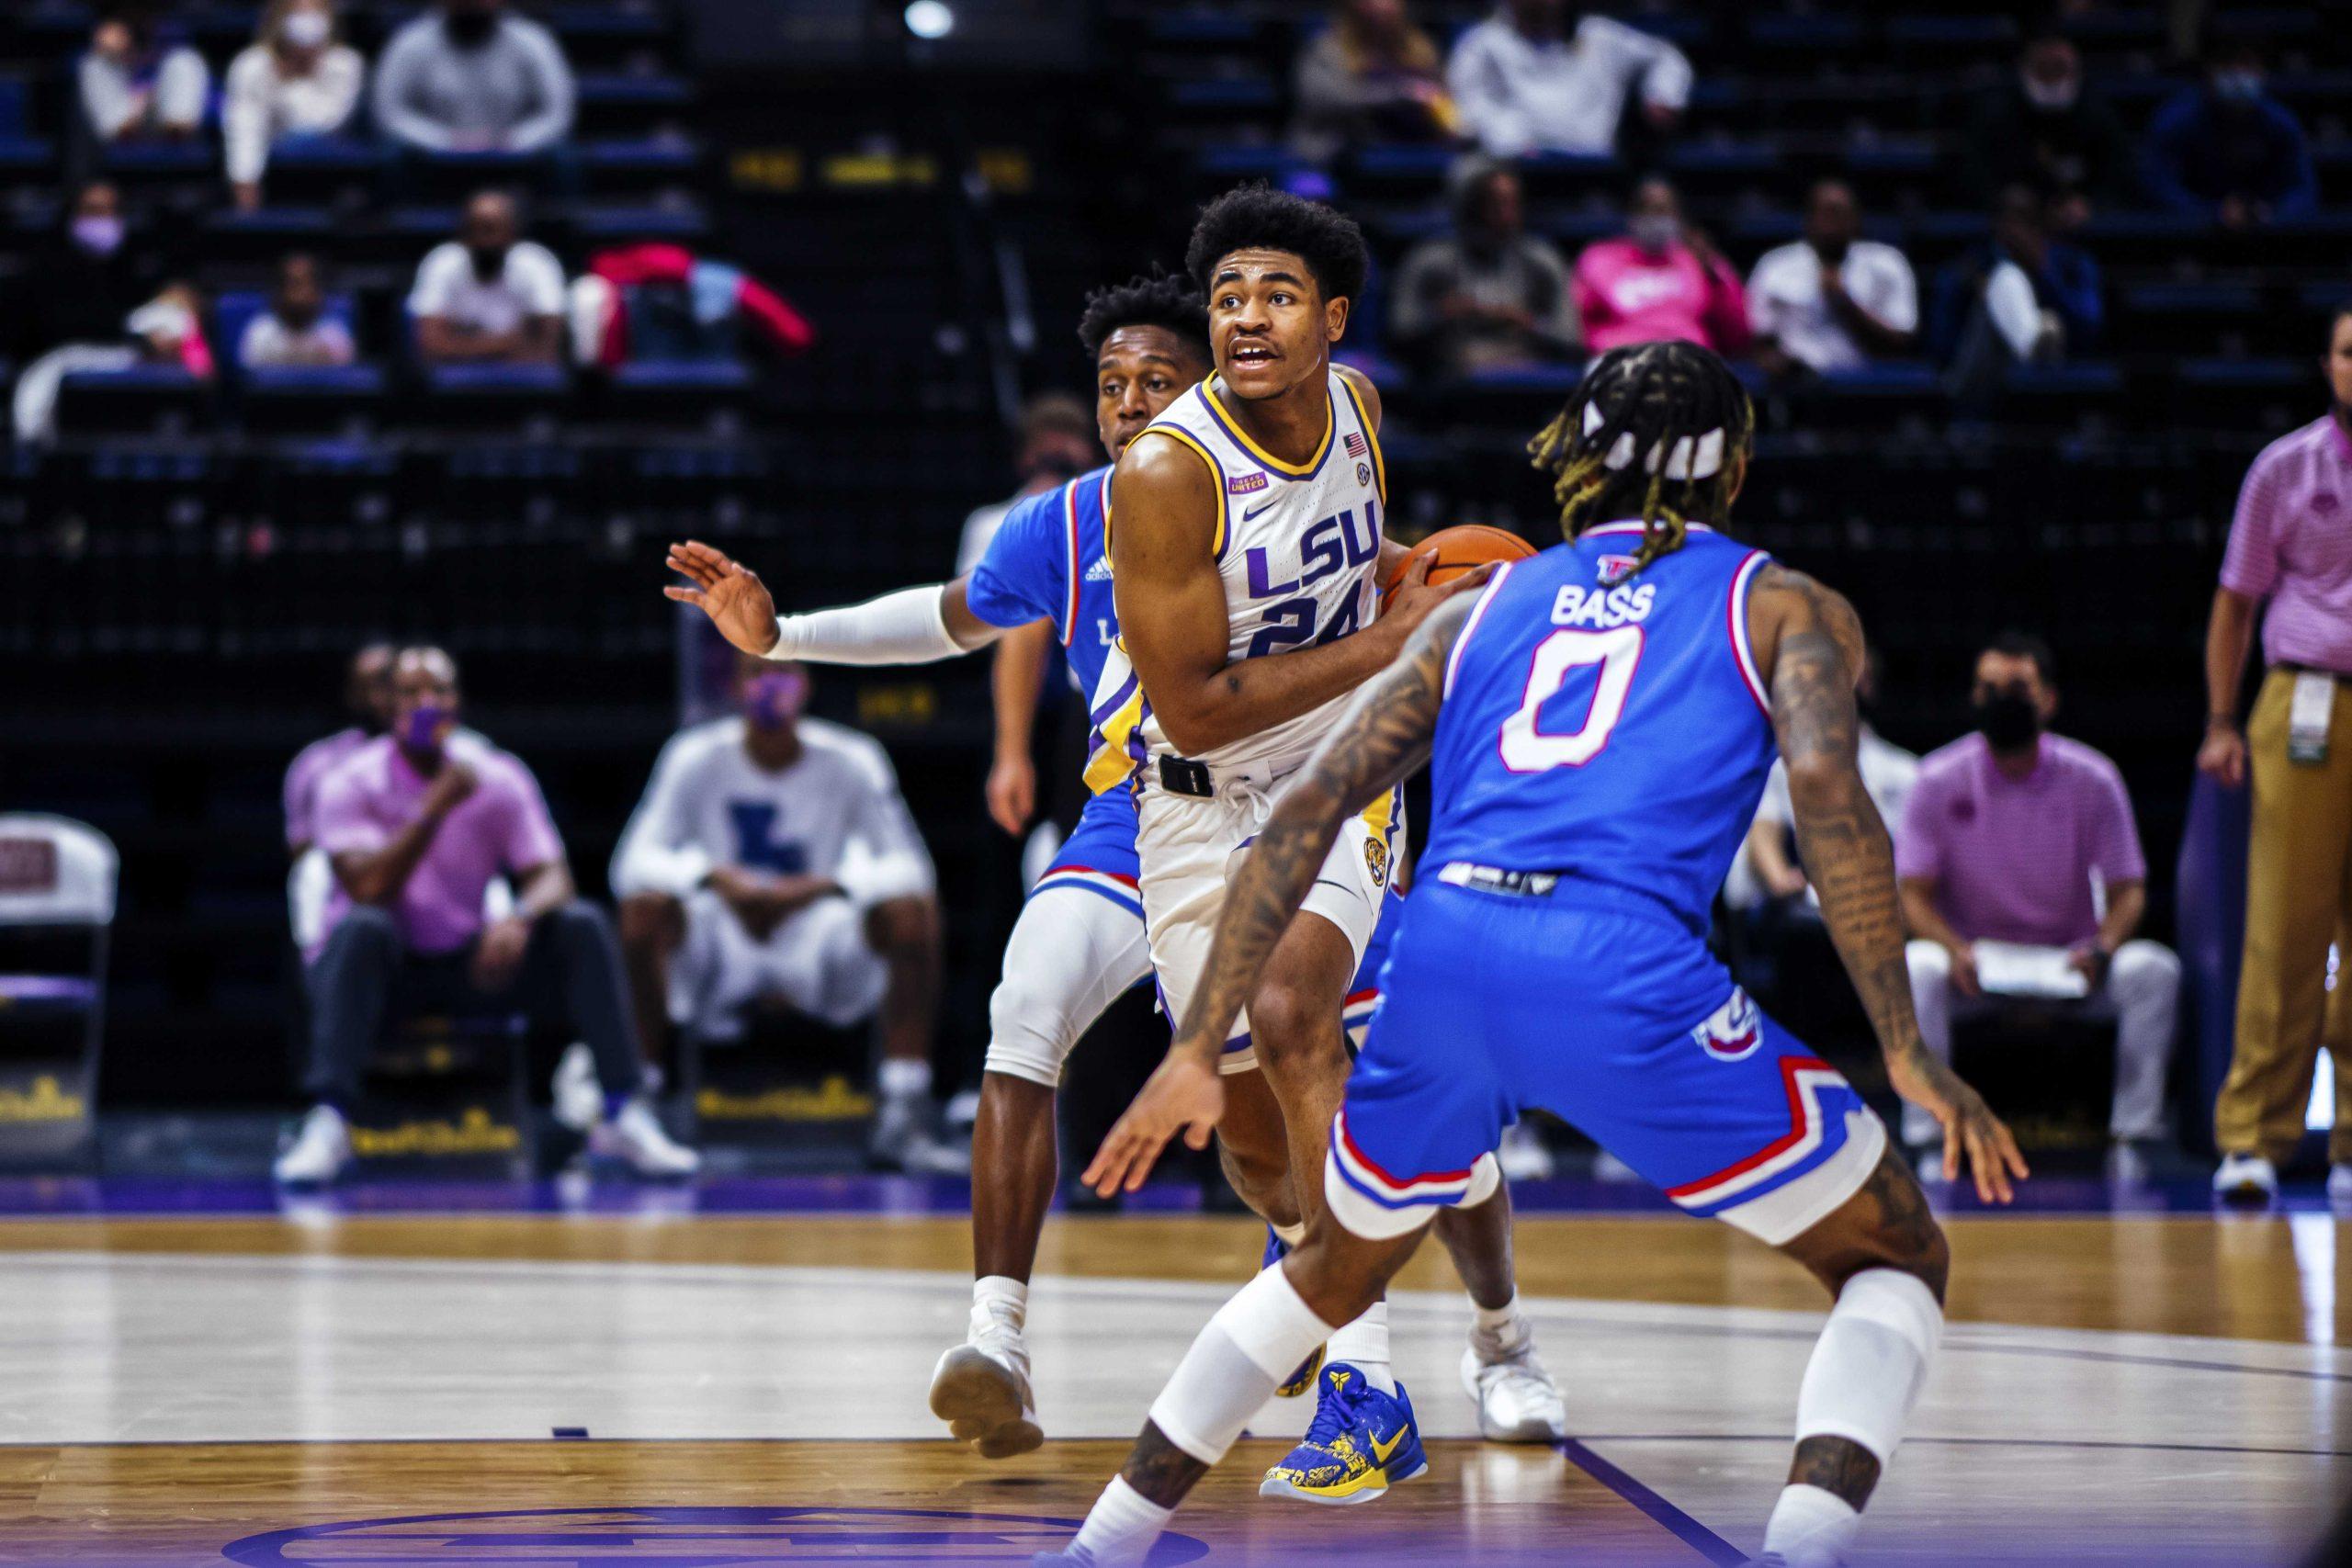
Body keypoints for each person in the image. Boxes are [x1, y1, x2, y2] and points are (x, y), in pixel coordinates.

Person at [1039, 340, 2024, 1568]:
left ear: (1575, 457)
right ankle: (1804, 1548)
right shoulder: (1787, 605)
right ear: (1738, 466)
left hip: (1448, 951)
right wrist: (1906, 1049)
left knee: (1327, 1269)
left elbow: (1306, 807)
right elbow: (1830, 801)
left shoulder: (1482, 605)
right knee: (1896, 1250)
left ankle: (1100, 1545)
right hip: (1621, 961)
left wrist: (1196, 1041)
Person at [663, 268, 1565, 1462]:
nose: (1132, 403)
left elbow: (1415, 570)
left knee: (1417, 1111)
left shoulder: (1302, 477)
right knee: (1059, 1024)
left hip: (1309, 810)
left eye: (1158, 379)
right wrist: (785, 634)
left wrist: (1475, 599)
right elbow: (948, 616)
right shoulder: (1072, 518)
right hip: (1144, 816)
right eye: (1112, 384)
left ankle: (1496, 1342)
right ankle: (998, 1339)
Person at [275, 647, 696, 1184]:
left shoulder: (497, 776)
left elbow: (553, 876)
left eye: (440, 692)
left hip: (470, 964)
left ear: (458, 702)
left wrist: (518, 917)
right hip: (381, 976)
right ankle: (329, 1119)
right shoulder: (348, 781)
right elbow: (367, 889)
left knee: (581, 924)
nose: (427, 703)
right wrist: (432, 808)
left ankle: (622, 1109)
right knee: (363, 929)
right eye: (411, 693)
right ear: (389, 705)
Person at [612, 655, 948, 1167]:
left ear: (807, 684)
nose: (772, 684)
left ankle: (904, 1110)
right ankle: (640, 1104)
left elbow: (912, 868)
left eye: (785, 672)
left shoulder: (853, 757)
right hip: (722, 937)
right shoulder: (693, 756)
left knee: (911, 914)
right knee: (642, 912)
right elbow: (631, 863)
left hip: (818, 936)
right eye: (756, 673)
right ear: (734, 685)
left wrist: (822, 885)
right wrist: (714, 877)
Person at [1896, 634, 2179, 1168]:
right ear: (1973, 699)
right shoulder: (1935, 780)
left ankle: (2134, 1135)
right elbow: (1912, 896)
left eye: (2018, 689)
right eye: (1989, 688)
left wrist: (2103, 947)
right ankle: (1929, 1131)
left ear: (2049, 699)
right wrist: (1953, 948)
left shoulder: (2094, 778)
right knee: (1917, 967)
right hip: (1973, 966)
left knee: (2154, 972)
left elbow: (2129, 891)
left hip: (2070, 964)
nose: (2003, 700)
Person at [2199, 305, 2352, 1206]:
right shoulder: (2282, 469)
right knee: (2284, 929)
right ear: (2326, 364)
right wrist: (2221, 720)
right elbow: (2234, 603)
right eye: (2347, 351)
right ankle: (2253, 1137)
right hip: (2304, 697)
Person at [9, 183, 212, 446]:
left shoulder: (132, 265)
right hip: (59, 370)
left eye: (110, 211)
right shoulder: (47, 267)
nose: (102, 221)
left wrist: (176, 300)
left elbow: (156, 308)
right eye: (93, 211)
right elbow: (60, 326)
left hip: (125, 380)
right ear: (72, 216)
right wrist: (138, 340)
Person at [1735, 644, 1917, 913]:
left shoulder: (1905, 771)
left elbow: (1915, 856)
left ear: (1871, 687)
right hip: (1802, 901)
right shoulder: (1779, 763)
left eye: (1858, 677)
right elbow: (1764, 829)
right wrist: (1781, 879)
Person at [1389, 157, 1579, 380]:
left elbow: (1571, 339)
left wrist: (1527, 323)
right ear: (1465, 206)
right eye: (1491, 205)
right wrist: (1443, 315)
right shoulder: (1430, 261)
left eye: (1511, 204)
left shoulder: (1540, 262)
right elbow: (1399, 330)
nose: (1504, 216)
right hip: (1449, 384)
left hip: (1526, 382)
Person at [1447, 0, 1690, 159]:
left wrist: (1663, 96)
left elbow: (1667, 57)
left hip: (1595, 173)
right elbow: (1469, 108)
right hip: (1519, 170)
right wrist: (1511, 139)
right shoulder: (1482, 44)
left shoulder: (1600, 36)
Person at [1928, 186, 2102, 394]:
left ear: (2040, 225)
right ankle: (2033, 344)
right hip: (1977, 379)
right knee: (2006, 278)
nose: (2016, 231)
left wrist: (2044, 272)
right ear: (1996, 224)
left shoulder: (2071, 264)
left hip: (2052, 378)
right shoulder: (1968, 268)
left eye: (2026, 221)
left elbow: (2088, 326)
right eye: (2009, 220)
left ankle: (2036, 345)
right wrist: (1982, 304)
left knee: (2019, 289)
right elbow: (1940, 344)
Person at [1957, 32, 2137, 227]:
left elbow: (2119, 170)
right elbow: (1973, 169)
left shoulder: (2097, 114)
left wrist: (2091, 204)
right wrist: (2001, 199)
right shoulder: (1996, 113)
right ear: (2025, 67)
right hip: (2009, 217)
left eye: (2059, 68)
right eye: (2044, 69)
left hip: (2082, 220)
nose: (2052, 78)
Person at [1747, 180, 1917, 379]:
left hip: (1870, 385)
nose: (1834, 223)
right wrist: (1775, 363)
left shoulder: (1887, 263)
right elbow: (1759, 339)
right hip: (1797, 387)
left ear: (1857, 219)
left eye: (1841, 213)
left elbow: (1901, 342)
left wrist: (1843, 301)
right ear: (1808, 219)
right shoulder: (1775, 266)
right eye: (1826, 213)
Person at [2143, 41, 2317, 229]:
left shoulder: (2281, 122)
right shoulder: (2176, 119)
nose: (2237, 72)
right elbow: (2159, 186)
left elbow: (2303, 189)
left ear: (2262, 70)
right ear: (2209, 70)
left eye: (2246, 63)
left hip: (2267, 230)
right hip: (2192, 233)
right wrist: (2213, 213)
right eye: (2227, 64)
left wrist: (2274, 212)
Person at [1573, 176, 1748, 357]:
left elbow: (1736, 332)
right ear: (1634, 214)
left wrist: (1713, 274)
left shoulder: (1697, 259)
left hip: (1686, 359)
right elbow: (1579, 321)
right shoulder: (1600, 259)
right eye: (1650, 210)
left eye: (1665, 211)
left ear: (1678, 217)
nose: (1658, 218)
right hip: (1622, 358)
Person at [372, 0, 574, 155]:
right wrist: (446, 140)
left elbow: (556, 114)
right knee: (393, 153)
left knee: (560, 154)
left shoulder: (534, 40)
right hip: (431, 159)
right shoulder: (409, 42)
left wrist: (512, 140)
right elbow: (391, 114)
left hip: (516, 158)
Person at [223, 0, 367, 211]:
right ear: (278, 18)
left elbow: (322, 123)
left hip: (332, 175)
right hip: (270, 172)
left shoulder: (345, 63)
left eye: (315, 13)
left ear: (329, 18)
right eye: (296, 13)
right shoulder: (252, 64)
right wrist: (245, 178)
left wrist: (298, 74)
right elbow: (243, 125)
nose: (307, 21)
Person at [1288, 0, 1457, 165]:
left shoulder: (1421, 49)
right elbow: (1325, 100)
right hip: (1338, 148)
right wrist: (1400, 94)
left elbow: (1443, 94)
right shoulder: (1327, 49)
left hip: (1412, 145)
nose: (1382, 5)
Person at [408, 189, 566, 366]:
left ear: (512, 231)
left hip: (520, 376)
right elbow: (430, 346)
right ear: (463, 232)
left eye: (490, 229)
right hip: (458, 377)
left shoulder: (537, 262)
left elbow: (549, 347)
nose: (483, 239)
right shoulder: (441, 261)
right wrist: (506, 344)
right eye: (474, 228)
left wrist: (461, 344)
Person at [78, 2, 209, 144]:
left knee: (185, 60)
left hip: (162, 106)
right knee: (95, 65)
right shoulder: (106, 32)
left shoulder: (172, 25)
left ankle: (177, 139)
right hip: (126, 114)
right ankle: (125, 143)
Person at [240, 253, 358, 371]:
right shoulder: (260, 333)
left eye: (307, 284)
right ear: (280, 290)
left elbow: (347, 380)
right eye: (294, 284)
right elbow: (246, 380)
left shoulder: (333, 334)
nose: (301, 294)